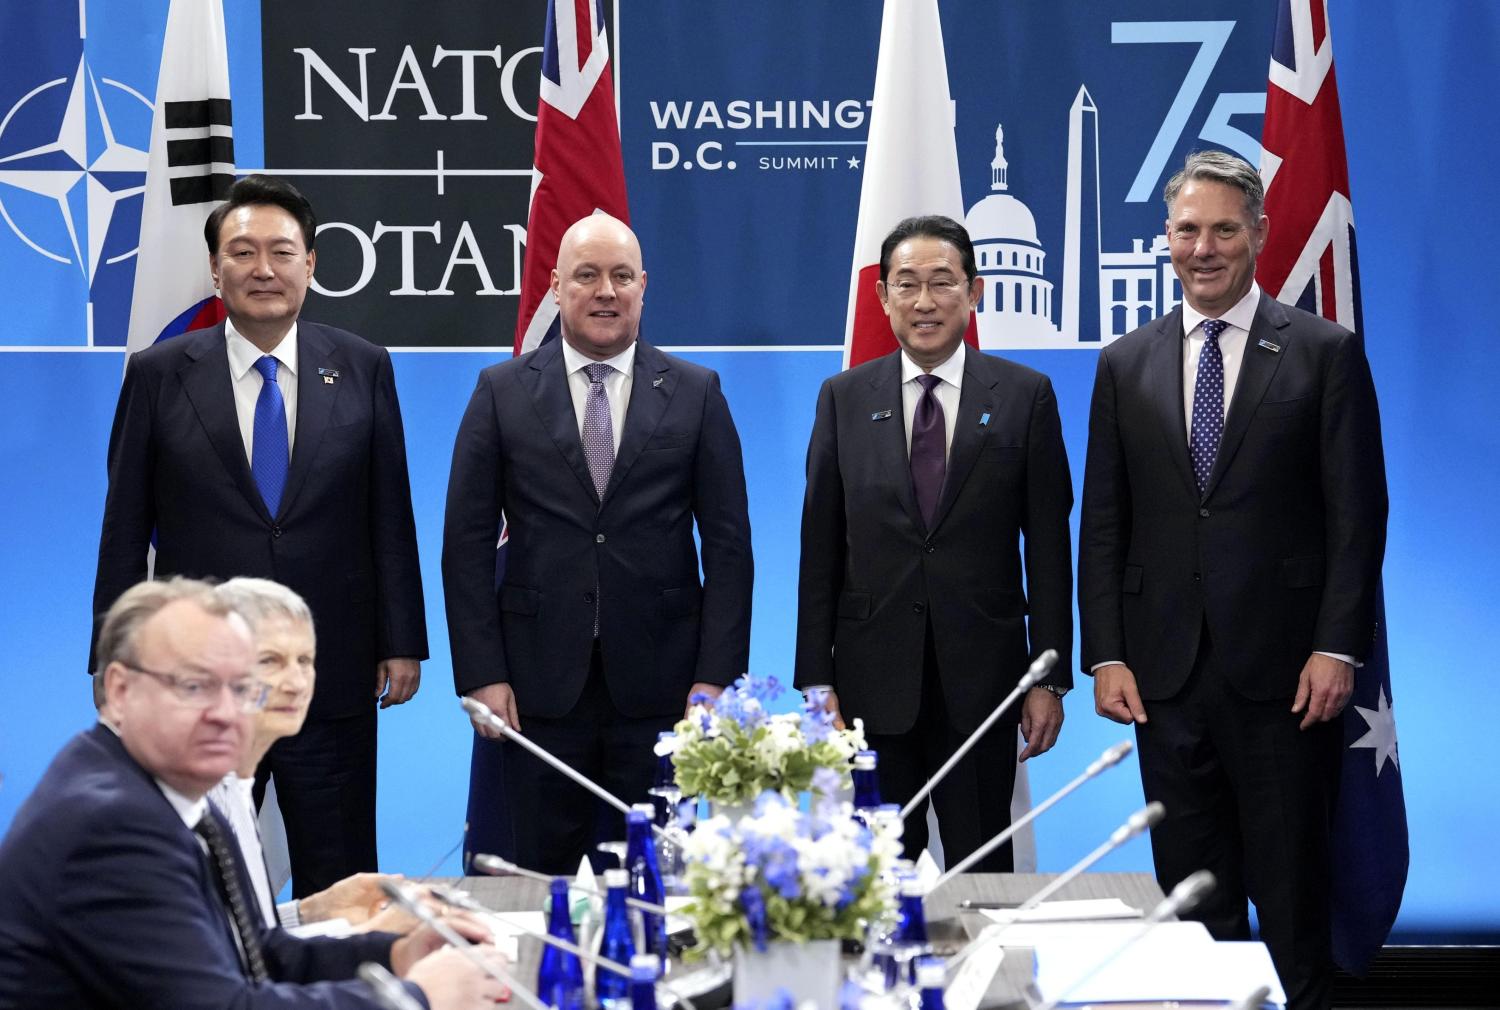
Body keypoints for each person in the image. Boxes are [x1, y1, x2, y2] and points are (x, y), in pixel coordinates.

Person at [1078, 150, 1387, 1009]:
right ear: (1165, 240)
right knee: (1191, 896)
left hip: (1288, 676)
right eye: (1187, 229)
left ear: (1258, 233)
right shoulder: (1122, 362)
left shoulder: (1323, 352)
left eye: (1222, 229)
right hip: (1162, 676)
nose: (1203, 247)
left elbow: (1357, 518)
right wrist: (1105, 653)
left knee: (1290, 893)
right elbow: (1104, 521)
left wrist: (1336, 646)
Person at [91, 174, 427, 896]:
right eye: (243, 252)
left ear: (311, 263)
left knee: (337, 879)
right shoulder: (159, 374)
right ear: (215, 268)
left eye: (282, 251)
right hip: (199, 682)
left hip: (328, 673)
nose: (264, 269)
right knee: (201, 879)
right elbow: (124, 526)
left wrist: (402, 640)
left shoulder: (363, 366)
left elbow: (389, 516)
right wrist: (109, 654)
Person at [0, 578, 504, 1008]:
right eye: (195, 686)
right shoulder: (110, 822)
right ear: (120, 689)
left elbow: (257, 952)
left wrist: (394, 955)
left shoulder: (164, 783)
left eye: (241, 687)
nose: (226, 713)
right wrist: (413, 996)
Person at [443, 213, 753, 874]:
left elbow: (728, 547)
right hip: (533, 690)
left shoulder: (697, 393)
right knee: (535, 883)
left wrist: (715, 678)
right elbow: (465, 546)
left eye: (620, 276)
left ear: (643, 287)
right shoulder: (500, 392)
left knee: (657, 884)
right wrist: (482, 674)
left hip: (665, 689)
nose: (604, 290)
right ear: (556, 287)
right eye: (587, 275)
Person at [794, 215, 1073, 869]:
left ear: (974, 292)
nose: (925, 302)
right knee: (875, 884)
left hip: (984, 684)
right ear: (883, 297)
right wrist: (816, 679)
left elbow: (1051, 550)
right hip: (870, 686)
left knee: (982, 876)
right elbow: (819, 550)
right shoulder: (842, 398)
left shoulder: (1024, 397)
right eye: (908, 284)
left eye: (943, 283)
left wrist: (1049, 680)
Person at [208, 577, 426, 934]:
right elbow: (194, 959)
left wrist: (314, 914)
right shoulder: (165, 810)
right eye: (270, 662)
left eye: (304, 661)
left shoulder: (231, 789)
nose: (296, 683)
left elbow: (243, 940)